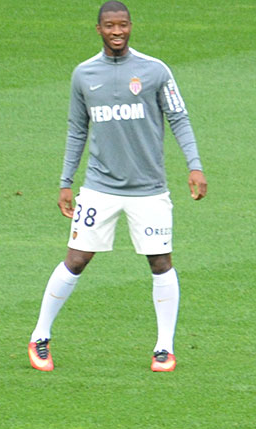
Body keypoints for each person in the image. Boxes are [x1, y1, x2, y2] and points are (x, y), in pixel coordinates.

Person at [27, 1, 206, 373]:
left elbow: (179, 118)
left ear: (130, 27)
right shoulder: (83, 75)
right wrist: (65, 183)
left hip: (150, 189)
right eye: (110, 26)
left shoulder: (155, 71)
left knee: (161, 262)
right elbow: (77, 130)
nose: (117, 32)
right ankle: (40, 336)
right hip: (99, 188)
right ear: (99, 30)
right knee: (76, 258)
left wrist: (194, 166)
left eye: (123, 25)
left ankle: (164, 348)